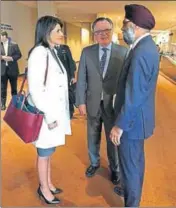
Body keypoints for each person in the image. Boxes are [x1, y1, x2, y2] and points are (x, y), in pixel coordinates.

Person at [110, 4, 160, 207]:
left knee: (130, 166)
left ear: (135, 26)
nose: (122, 29)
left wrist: (119, 125)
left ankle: (132, 203)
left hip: (131, 123)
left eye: (124, 24)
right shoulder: (144, 46)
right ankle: (129, 190)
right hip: (138, 120)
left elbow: (135, 94)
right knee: (135, 162)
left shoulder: (141, 52)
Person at [76, 17, 127, 184]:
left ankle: (115, 168)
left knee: (113, 138)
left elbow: (127, 81)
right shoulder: (87, 52)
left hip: (113, 105)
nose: (103, 34)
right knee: (92, 135)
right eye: (98, 32)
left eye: (106, 31)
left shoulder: (123, 52)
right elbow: (81, 78)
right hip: (92, 103)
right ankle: (94, 162)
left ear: (112, 32)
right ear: (94, 35)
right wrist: (81, 102)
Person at [27, 15, 71, 204]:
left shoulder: (51, 50)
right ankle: (44, 188)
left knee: (49, 152)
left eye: (61, 30)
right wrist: (50, 117)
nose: (62, 34)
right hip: (46, 116)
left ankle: (49, 182)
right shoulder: (39, 53)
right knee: (44, 153)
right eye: (58, 31)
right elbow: (36, 90)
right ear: (46, 32)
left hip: (53, 114)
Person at [1, 31, 22, 110]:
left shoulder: (14, 44)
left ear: (5, 36)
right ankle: (3, 104)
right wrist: (2, 57)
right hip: (2, 71)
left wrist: (11, 58)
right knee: (2, 89)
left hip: (12, 70)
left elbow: (19, 54)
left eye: (0, 36)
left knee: (14, 89)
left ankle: (14, 104)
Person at [55, 44, 77, 118]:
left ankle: (70, 112)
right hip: (55, 78)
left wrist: (73, 76)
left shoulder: (65, 48)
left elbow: (70, 62)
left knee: (68, 94)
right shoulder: (48, 49)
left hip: (66, 76)